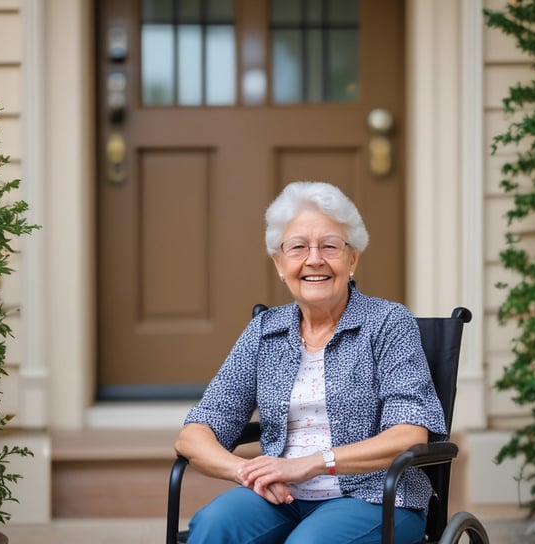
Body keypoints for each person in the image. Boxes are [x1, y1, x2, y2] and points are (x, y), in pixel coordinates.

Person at [174, 181, 447, 543]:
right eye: (298, 247)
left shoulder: (388, 323)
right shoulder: (263, 332)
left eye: (330, 246)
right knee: (213, 527)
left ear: (352, 259)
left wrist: (311, 463)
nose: (314, 259)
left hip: (374, 497)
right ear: (279, 263)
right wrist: (246, 472)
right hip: (282, 497)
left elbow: (408, 435)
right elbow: (195, 434)